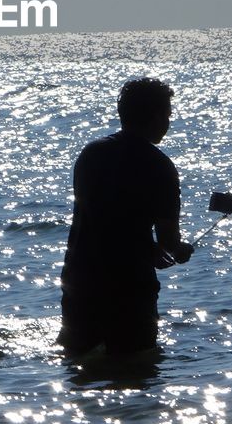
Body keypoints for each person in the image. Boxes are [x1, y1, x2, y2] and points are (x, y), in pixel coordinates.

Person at [58, 77, 194, 356]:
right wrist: (178, 251)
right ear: (155, 117)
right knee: (135, 368)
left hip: (81, 279)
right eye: (167, 115)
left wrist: (149, 248)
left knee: (79, 365)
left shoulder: (91, 154)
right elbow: (169, 241)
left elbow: (102, 218)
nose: (168, 123)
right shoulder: (159, 167)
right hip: (129, 288)